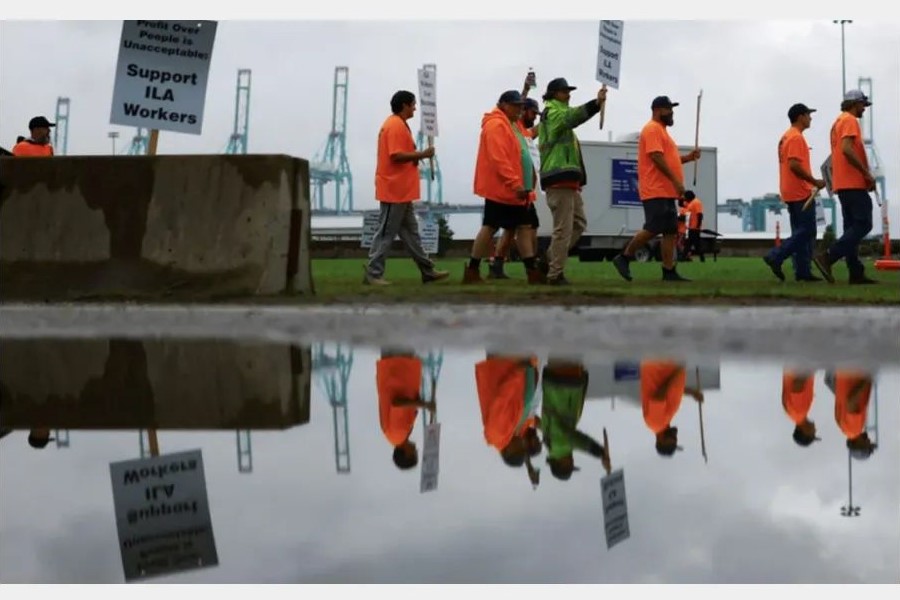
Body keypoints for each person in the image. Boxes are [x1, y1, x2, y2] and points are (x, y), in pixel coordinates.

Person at [363, 90, 450, 286]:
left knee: (412, 234)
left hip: (402, 191)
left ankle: (427, 271)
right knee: (385, 233)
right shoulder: (395, 126)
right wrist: (422, 154)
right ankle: (373, 273)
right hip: (394, 189)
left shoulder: (398, 124)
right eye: (413, 104)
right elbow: (396, 155)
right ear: (404, 105)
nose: (415, 108)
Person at [613, 96, 700, 282]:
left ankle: (668, 271)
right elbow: (656, 157)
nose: (672, 113)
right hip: (656, 189)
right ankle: (624, 257)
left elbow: (670, 159)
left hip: (665, 191)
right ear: (658, 110)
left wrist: (688, 158)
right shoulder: (652, 129)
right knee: (654, 228)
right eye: (669, 109)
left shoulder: (662, 132)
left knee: (670, 231)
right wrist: (676, 181)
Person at [463, 90, 545, 285]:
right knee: (490, 227)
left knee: (524, 227)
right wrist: (514, 183)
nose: (520, 110)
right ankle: (473, 269)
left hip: (517, 190)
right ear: (504, 105)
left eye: (521, 106)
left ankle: (531, 271)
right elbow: (498, 159)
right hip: (502, 190)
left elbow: (528, 140)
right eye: (517, 106)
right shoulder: (495, 126)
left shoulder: (512, 124)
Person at [537, 77, 607, 285]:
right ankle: (554, 273)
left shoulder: (555, 114)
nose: (568, 94)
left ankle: (549, 260)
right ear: (553, 94)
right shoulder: (553, 112)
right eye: (564, 91)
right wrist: (595, 104)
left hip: (567, 181)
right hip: (559, 179)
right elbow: (572, 117)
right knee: (564, 229)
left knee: (578, 223)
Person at [814, 90, 879, 285]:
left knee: (851, 228)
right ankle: (828, 256)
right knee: (864, 223)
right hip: (853, 183)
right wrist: (866, 174)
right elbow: (847, 149)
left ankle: (855, 273)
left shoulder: (837, 122)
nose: (864, 109)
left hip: (842, 184)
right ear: (854, 104)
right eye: (862, 105)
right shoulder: (850, 121)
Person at [762, 103, 826, 282]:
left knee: (801, 232)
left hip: (790, 190)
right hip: (800, 191)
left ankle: (802, 271)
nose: (810, 118)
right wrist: (814, 181)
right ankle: (776, 256)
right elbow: (794, 165)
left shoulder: (786, 137)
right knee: (806, 231)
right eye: (808, 114)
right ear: (800, 117)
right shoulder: (796, 138)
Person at [489, 93, 543, 280]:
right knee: (526, 227)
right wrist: (526, 89)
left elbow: (534, 133)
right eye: (532, 113)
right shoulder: (515, 125)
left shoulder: (523, 131)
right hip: (517, 187)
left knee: (513, 228)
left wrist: (545, 122)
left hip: (525, 189)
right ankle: (531, 264)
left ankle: (497, 263)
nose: (534, 116)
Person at [540, 358, 609, 480]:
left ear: (561, 464)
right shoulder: (548, 440)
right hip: (554, 380)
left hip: (565, 383)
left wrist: (600, 452)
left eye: (570, 465)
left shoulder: (559, 446)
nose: (572, 461)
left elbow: (578, 440)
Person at [474, 352, 541, 469]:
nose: (523, 444)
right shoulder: (511, 434)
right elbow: (521, 414)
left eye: (520, 448)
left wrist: (519, 370)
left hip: (504, 363)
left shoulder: (498, 433)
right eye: (523, 448)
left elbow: (502, 398)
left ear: (509, 451)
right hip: (511, 364)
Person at [376, 348, 435, 470]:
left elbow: (397, 403)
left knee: (404, 333)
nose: (416, 449)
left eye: (415, 453)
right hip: (393, 369)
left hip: (398, 369)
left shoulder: (398, 434)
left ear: (407, 454)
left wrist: (425, 405)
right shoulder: (395, 435)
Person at [640, 359, 704, 457]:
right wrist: (692, 393)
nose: (675, 439)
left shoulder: (656, 423)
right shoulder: (663, 422)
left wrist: (677, 371)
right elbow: (670, 391)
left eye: (672, 443)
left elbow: (659, 396)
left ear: (661, 441)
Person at [826, 369, 877, 460]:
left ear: (860, 445)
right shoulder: (842, 427)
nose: (869, 441)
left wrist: (867, 380)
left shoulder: (854, 429)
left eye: (868, 445)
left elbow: (850, 401)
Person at [781, 368, 820, 447]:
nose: (815, 430)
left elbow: (797, 385)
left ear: (805, 432)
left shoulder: (799, 412)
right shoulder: (792, 414)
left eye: (813, 433)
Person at [681, 190, 706, 262]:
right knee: (689, 244)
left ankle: (683, 258)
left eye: (686, 197)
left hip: (694, 228)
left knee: (694, 244)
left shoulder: (696, 202)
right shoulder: (691, 203)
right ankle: (683, 258)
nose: (685, 199)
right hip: (690, 228)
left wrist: (698, 226)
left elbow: (700, 215)